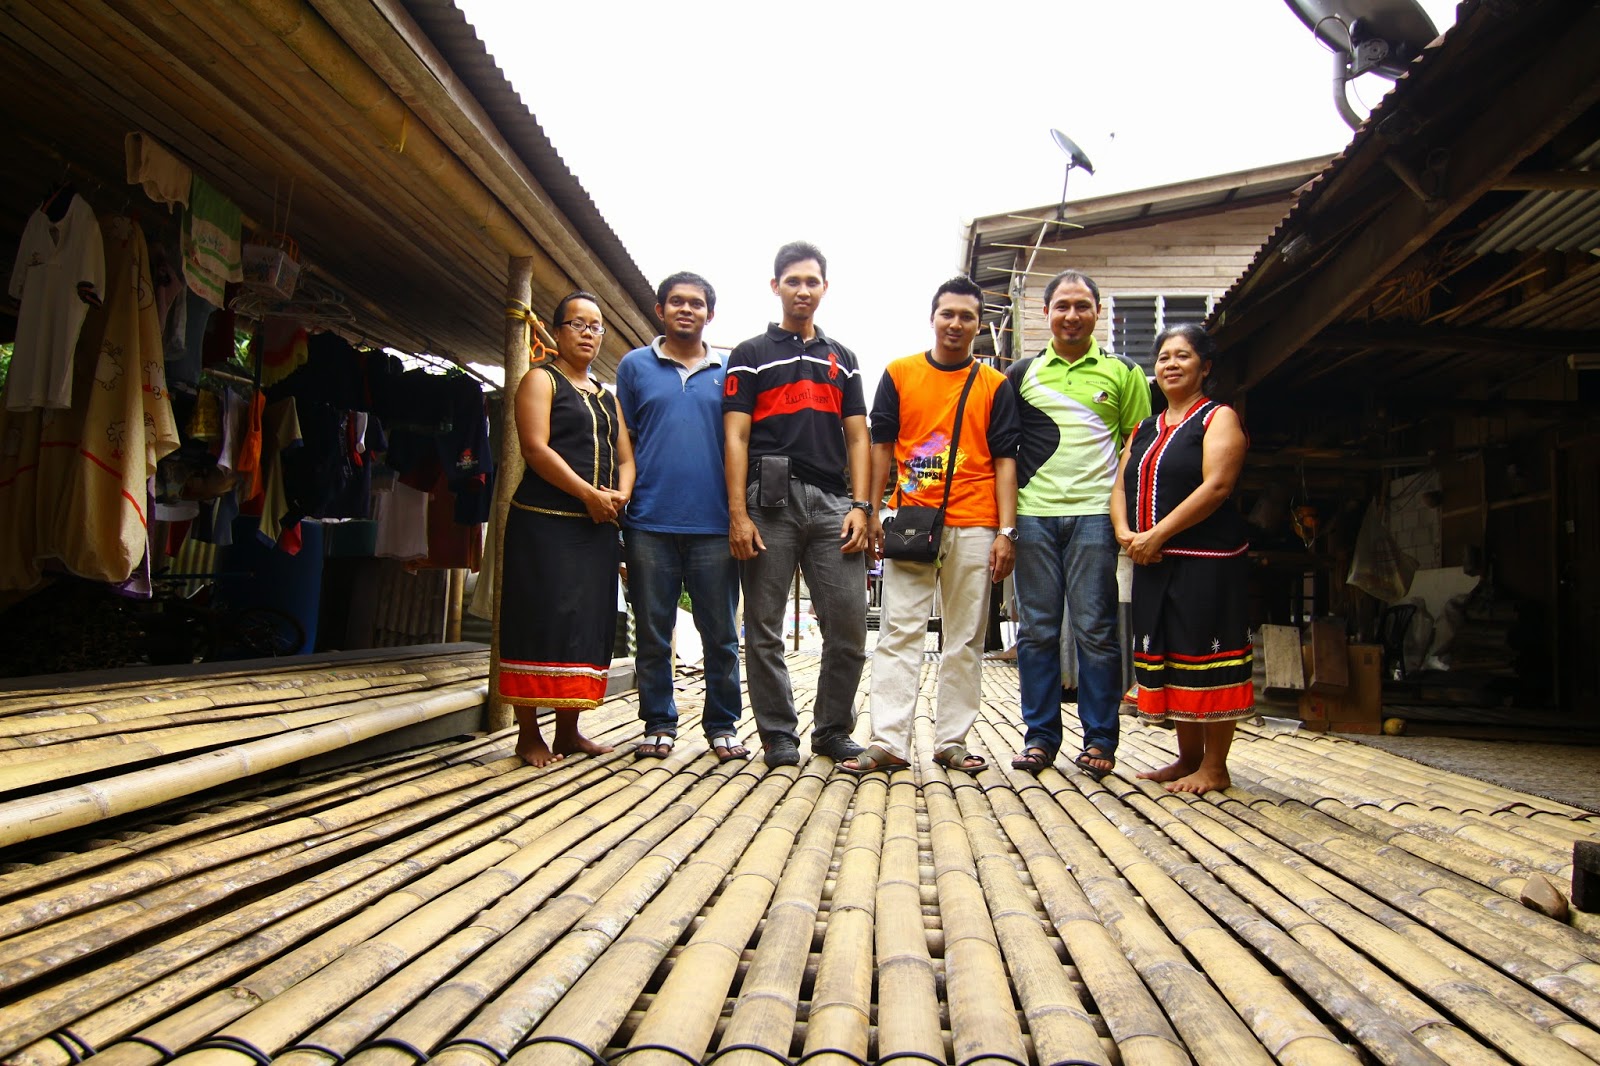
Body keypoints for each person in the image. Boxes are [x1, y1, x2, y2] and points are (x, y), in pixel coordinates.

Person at [842, 276, 1020, 775]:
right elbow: (881, 447)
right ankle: (888, 741)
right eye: (948, 314)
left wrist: (1007, 532)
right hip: (911, 522)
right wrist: (873, 509)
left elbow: (1006, 459)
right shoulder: (899, 374)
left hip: (976, 522)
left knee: (965, 636)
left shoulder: (994, 385)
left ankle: (951, 741)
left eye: (967, 316)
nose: (956, 324)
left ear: (978, 324)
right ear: (933, 317)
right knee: (899, 630)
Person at [724, 241, 870, 768]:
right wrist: (738, 513)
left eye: (812, 281)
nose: (803, 290)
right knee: (763, 626)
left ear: (824, 288)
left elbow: (858, 438)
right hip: (767, 503)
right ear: (776, 286)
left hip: (834, 504)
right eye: (793, 281)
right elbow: (735, 437)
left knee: (850, 626)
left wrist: (863, 506)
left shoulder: (844, 361)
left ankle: (832, 730)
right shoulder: (749, 354)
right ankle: (777, 734)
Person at [1007, 269, 1151, 779]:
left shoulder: (1123, 372)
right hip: (1033, 516)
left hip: (1096, 516)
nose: (1072, 315)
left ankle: (1100, 741)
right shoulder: (1021, 374)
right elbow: (1006, 449)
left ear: (1097, 313)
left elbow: (1137, 448)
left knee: (1096, 631)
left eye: (1082, 305)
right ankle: (1040, 737)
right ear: (1046, 313)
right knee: (1037, 631)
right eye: (1062, 305)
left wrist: (1125, 518)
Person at [1112, 323, 1252, 793]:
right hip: (1152, 559)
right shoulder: (1146, 426)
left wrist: (1157, 534)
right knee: (1170, 656)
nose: (1170, 364)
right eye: (1164, 357)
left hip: (1205, 558)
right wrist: (1125, 532)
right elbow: (1120, 481)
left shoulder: (1219, 418)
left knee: (1205, 655)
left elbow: (1217, 487)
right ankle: (1188, 757)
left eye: (1183, 356)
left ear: (1205, 366)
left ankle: (1216, 766)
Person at [498, 291, 634, 767]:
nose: (588, 333)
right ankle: (527, 734)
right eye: (577, 324)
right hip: (544, 524)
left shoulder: (606, 395)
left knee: (583, 624)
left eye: (595, 327)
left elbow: (625, 457)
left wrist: (621, 494)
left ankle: (569, 731)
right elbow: (535, 449)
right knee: (537, 619)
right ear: (556, 332)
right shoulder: (540, 380)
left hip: (596, 528)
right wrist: (589, 495)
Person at [615, 272, 746, 762]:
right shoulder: (633, 367)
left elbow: (743, 441)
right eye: (676, 302)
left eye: (696, 303)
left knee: (721, 633)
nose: (686, 310)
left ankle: (722, 726)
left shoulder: (730, 368)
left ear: (710, 313)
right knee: (653, 629)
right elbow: (622, 437)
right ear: (660, 310)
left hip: (715, 524)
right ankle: (658, 722)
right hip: (648, 519)